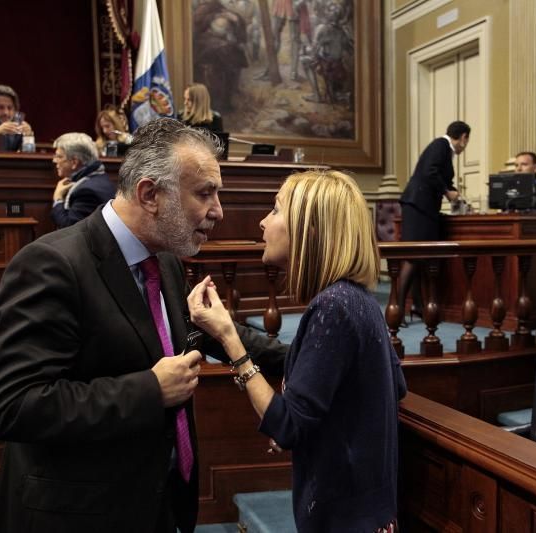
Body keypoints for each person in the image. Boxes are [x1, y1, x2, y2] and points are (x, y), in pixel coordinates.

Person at [0, 118, 287, 533]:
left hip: (157, 502)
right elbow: (12, 405)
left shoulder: (163, 259)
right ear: (150, 194)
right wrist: (148, 389)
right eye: (205, 194)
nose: (218, 211)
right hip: (81, 515)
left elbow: (176, 333)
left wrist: (297, 355)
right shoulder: (50, 266)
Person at [188, 170, 407, 531]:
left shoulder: (333, 307)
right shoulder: (357, 299)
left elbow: (287, 425)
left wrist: (230, 340)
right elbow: (392, 384)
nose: (262, 222)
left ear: (311, 231)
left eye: (275, 211)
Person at [397, 120, 471, 322]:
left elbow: (439, 176)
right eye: (467, 140)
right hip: (418, 206)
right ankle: (397, 308)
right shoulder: (441, 145)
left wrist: (452, 190)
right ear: (463, 137)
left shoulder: (443, 149)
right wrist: (448, 192)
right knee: (413, 257)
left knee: (420, 258)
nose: (465, 145)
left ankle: (418, 305)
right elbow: (430, 172)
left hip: (423, 207)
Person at [50, 132, 116, 228]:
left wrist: (58, 199)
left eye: (59, 156)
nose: (54, 160)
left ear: (74, 162)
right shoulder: (100, 177)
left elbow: (69, 229)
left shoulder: (87, 192)